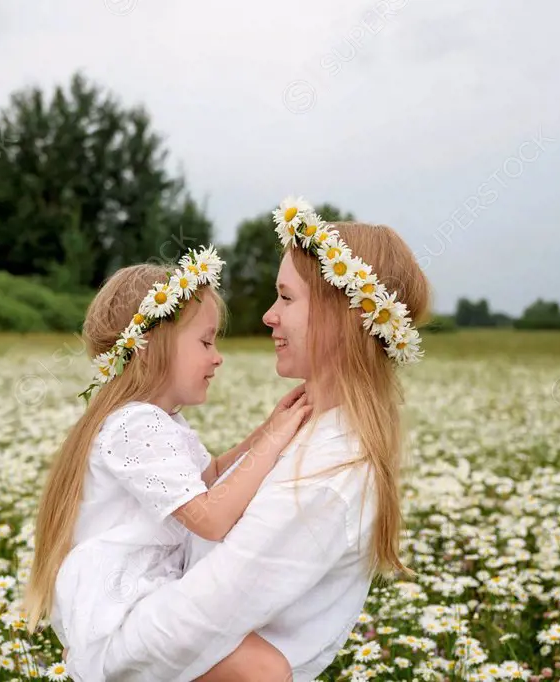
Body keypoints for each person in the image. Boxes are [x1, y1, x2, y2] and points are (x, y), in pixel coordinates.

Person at [101, 197, 431, 681]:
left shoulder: (330, 473)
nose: (268, 316)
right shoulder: (307, 431)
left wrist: (101, 651)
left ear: (342, 316)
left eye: (287, 298)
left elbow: (202, 615)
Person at [21, 245, 314, 681]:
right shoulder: (134, 426)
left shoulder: (156, 422)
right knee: (263, 668)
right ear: (149, 347)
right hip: (123, 612)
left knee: (261, 660)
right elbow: (209, 517)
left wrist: (267, 429)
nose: (217, 357)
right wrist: (273, 440)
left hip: (149, 598)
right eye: (205, 341)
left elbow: (209, 478)